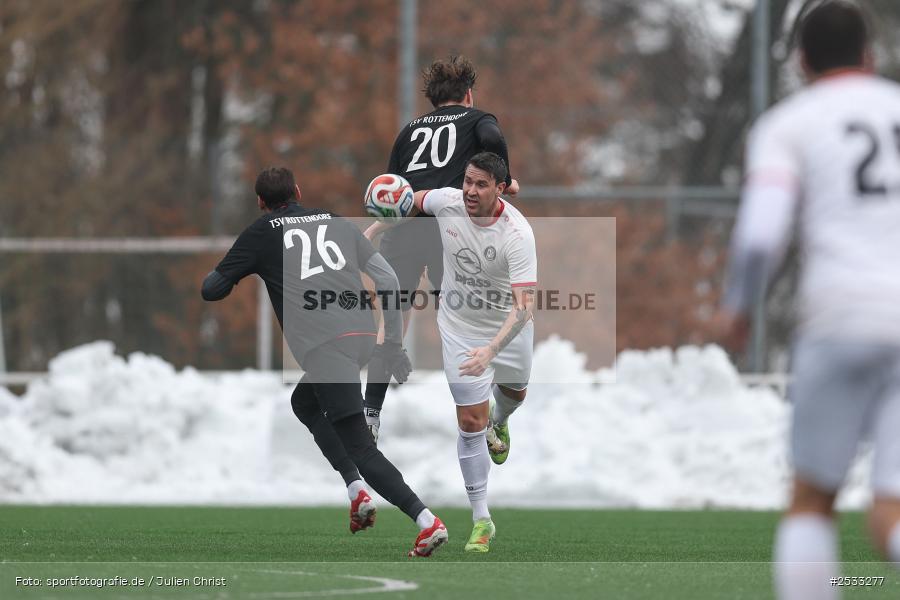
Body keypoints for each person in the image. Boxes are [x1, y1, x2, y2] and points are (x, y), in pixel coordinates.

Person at [713, 2, 900, 597]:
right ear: (869, 56)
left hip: (840, 314)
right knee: (891, 510)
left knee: (812, 498)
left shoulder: (789, 124)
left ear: (800, 61)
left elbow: (763, 233)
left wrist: (739, 305)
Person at [201, 167, 448, 557]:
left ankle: (426, 520)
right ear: (298, 191)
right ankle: (356, 491)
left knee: (362, 448)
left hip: (327, 347)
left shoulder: (262, 232)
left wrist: (235, 271)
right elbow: (386, 279)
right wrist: (393, 345)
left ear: (261, 203)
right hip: (362, 337)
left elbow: (210, 290)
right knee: (304, 403)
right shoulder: (335, 220)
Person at [380, 152, 536, 553]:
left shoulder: (517, 234)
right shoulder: (448, 201)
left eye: (481, 184)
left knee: (516, 392)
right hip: (460, 327)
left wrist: (492, 350)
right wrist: (373, 229)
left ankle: (499, 421)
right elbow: (408, 200)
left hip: (507, 329)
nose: (470, 190)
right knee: (469, 420)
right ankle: (481, 519)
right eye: (468, 181)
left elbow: (524, 306)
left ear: (500, 189)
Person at [362, 55, 520, 443]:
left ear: (433, 99)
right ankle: (480, 416)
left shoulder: (409, 130)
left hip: (406, 233)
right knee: (467, 319)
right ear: (468, 94)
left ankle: (370, 413)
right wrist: (507, 179)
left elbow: (397, 194)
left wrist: (378, 226)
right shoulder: (479, 118)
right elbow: (494, 142)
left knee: (393, 323)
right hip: (450, 234)